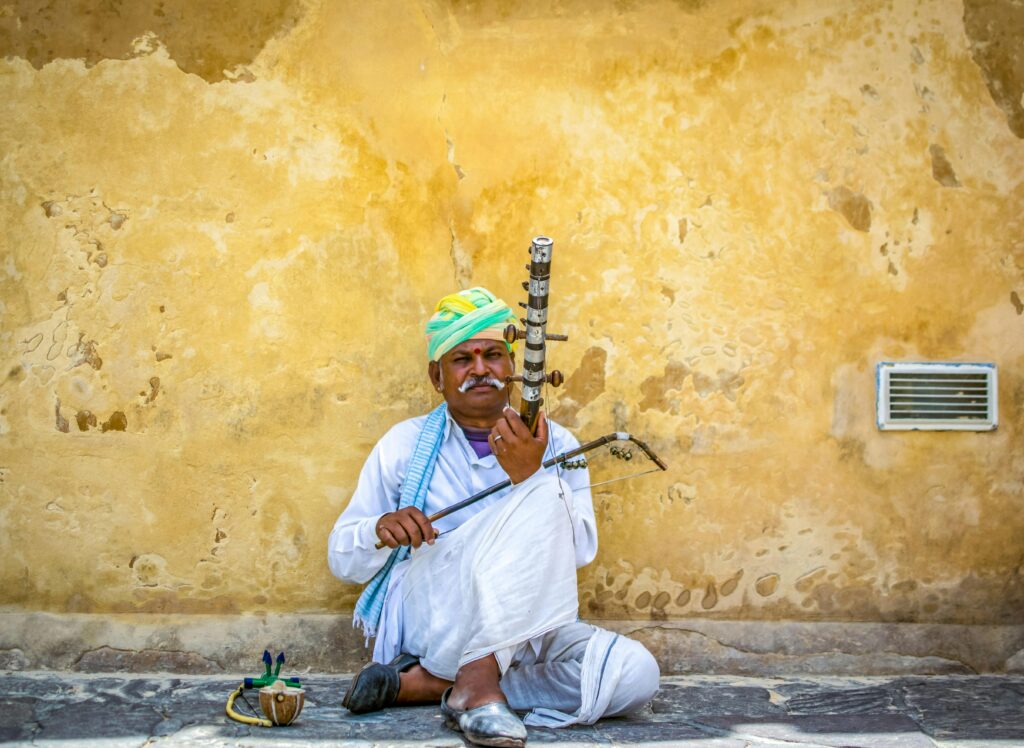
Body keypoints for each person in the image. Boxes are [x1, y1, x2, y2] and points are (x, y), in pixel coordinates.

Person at [327, 287, 659, 746]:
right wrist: (378, 529)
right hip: (440, 618)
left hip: (530, 622)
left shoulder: (557, 442)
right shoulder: (403, 445)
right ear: (436, 376)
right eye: (462, 359)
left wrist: (531, 476)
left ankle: (443, 686)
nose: (480, 369)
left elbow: (579, 553)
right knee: (541, 497)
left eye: (493, 355)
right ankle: (477, 683)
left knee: (636, 674)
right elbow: (342, 559)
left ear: (512, 368)